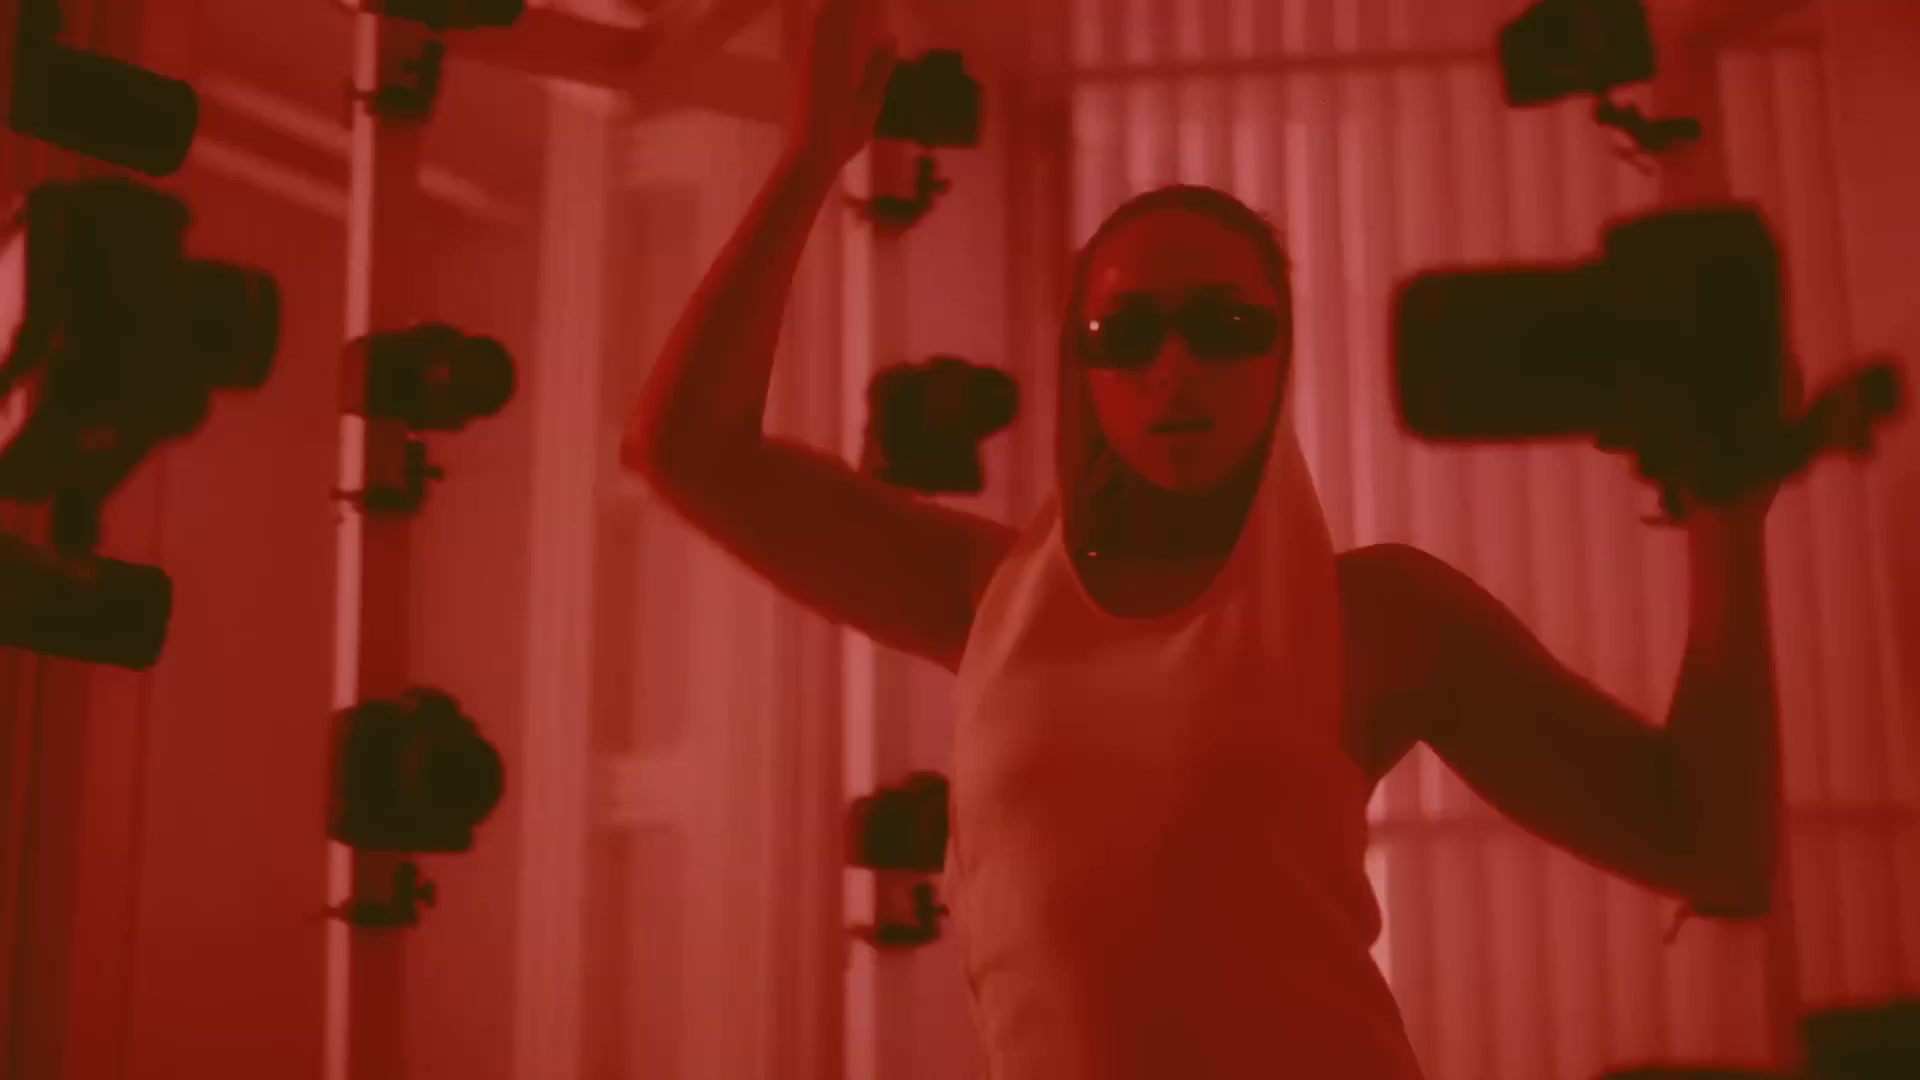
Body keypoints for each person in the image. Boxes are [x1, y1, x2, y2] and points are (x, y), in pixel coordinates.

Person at [621, 0, 1785, 1075]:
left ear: (1280, 355)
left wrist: (1727, 500)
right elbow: (684, 450)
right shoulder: (989, 595)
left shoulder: (1379, 617)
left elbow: (1704, 841)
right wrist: (812, 156)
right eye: (1126, 334)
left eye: (1224, 324)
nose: (1175, 367)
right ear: (1082, 372)